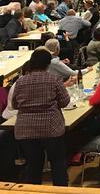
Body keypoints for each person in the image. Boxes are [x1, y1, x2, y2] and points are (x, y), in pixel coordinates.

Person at [13, 49, 70, 186]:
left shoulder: (20, 82)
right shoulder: (54, 79)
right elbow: (65, 101)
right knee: (57, 162)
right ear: (48, 64)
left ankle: (34, 191)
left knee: (33, 165)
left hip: (26, 129)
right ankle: (61, 190)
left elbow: (15, 104)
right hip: (51, 127)